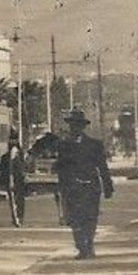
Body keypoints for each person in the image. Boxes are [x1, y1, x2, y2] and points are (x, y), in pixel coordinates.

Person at [54, 108, 113, 259]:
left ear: (83, 126)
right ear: (70, 126)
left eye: (78, 124)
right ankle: (81, 247)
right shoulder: (63, 145)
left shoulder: (95, 145)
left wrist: (108, 186)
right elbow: (60, 167)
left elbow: (102, 166)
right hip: (72, 188)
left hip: (91, 187)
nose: (75, 128)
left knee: (90, 218)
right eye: (73, 124)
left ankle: (90, 245)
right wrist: (60, 185)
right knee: (75, 219)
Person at [0, 132, 29, 227]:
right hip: (13, 179)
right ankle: (16, 218)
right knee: (15, 200)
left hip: (18, 180)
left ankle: (18, 217)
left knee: (18, 200)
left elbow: (25, 167)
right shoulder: (8, 157)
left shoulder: (20, 155)